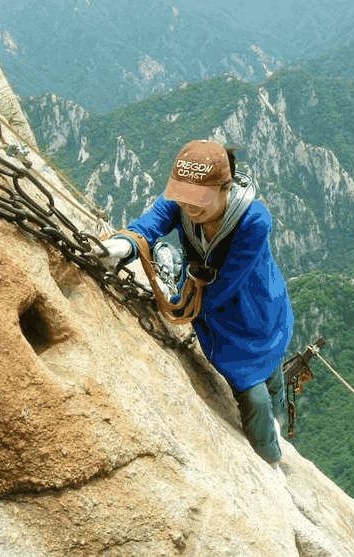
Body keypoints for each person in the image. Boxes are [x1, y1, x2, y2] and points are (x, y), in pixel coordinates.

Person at [98, 140, 294, 465]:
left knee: (273, 376)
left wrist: (176, 303)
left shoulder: (254, 220)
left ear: (225, 188)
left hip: (256, 310)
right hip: (223, 322)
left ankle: (279, 441)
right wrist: (121, 246)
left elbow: (226, 283)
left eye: (200, 200)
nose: (189, 208)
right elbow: (151, 224)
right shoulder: (183, 200)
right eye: (184, 198)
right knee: (254, 396)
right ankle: (271, 458)